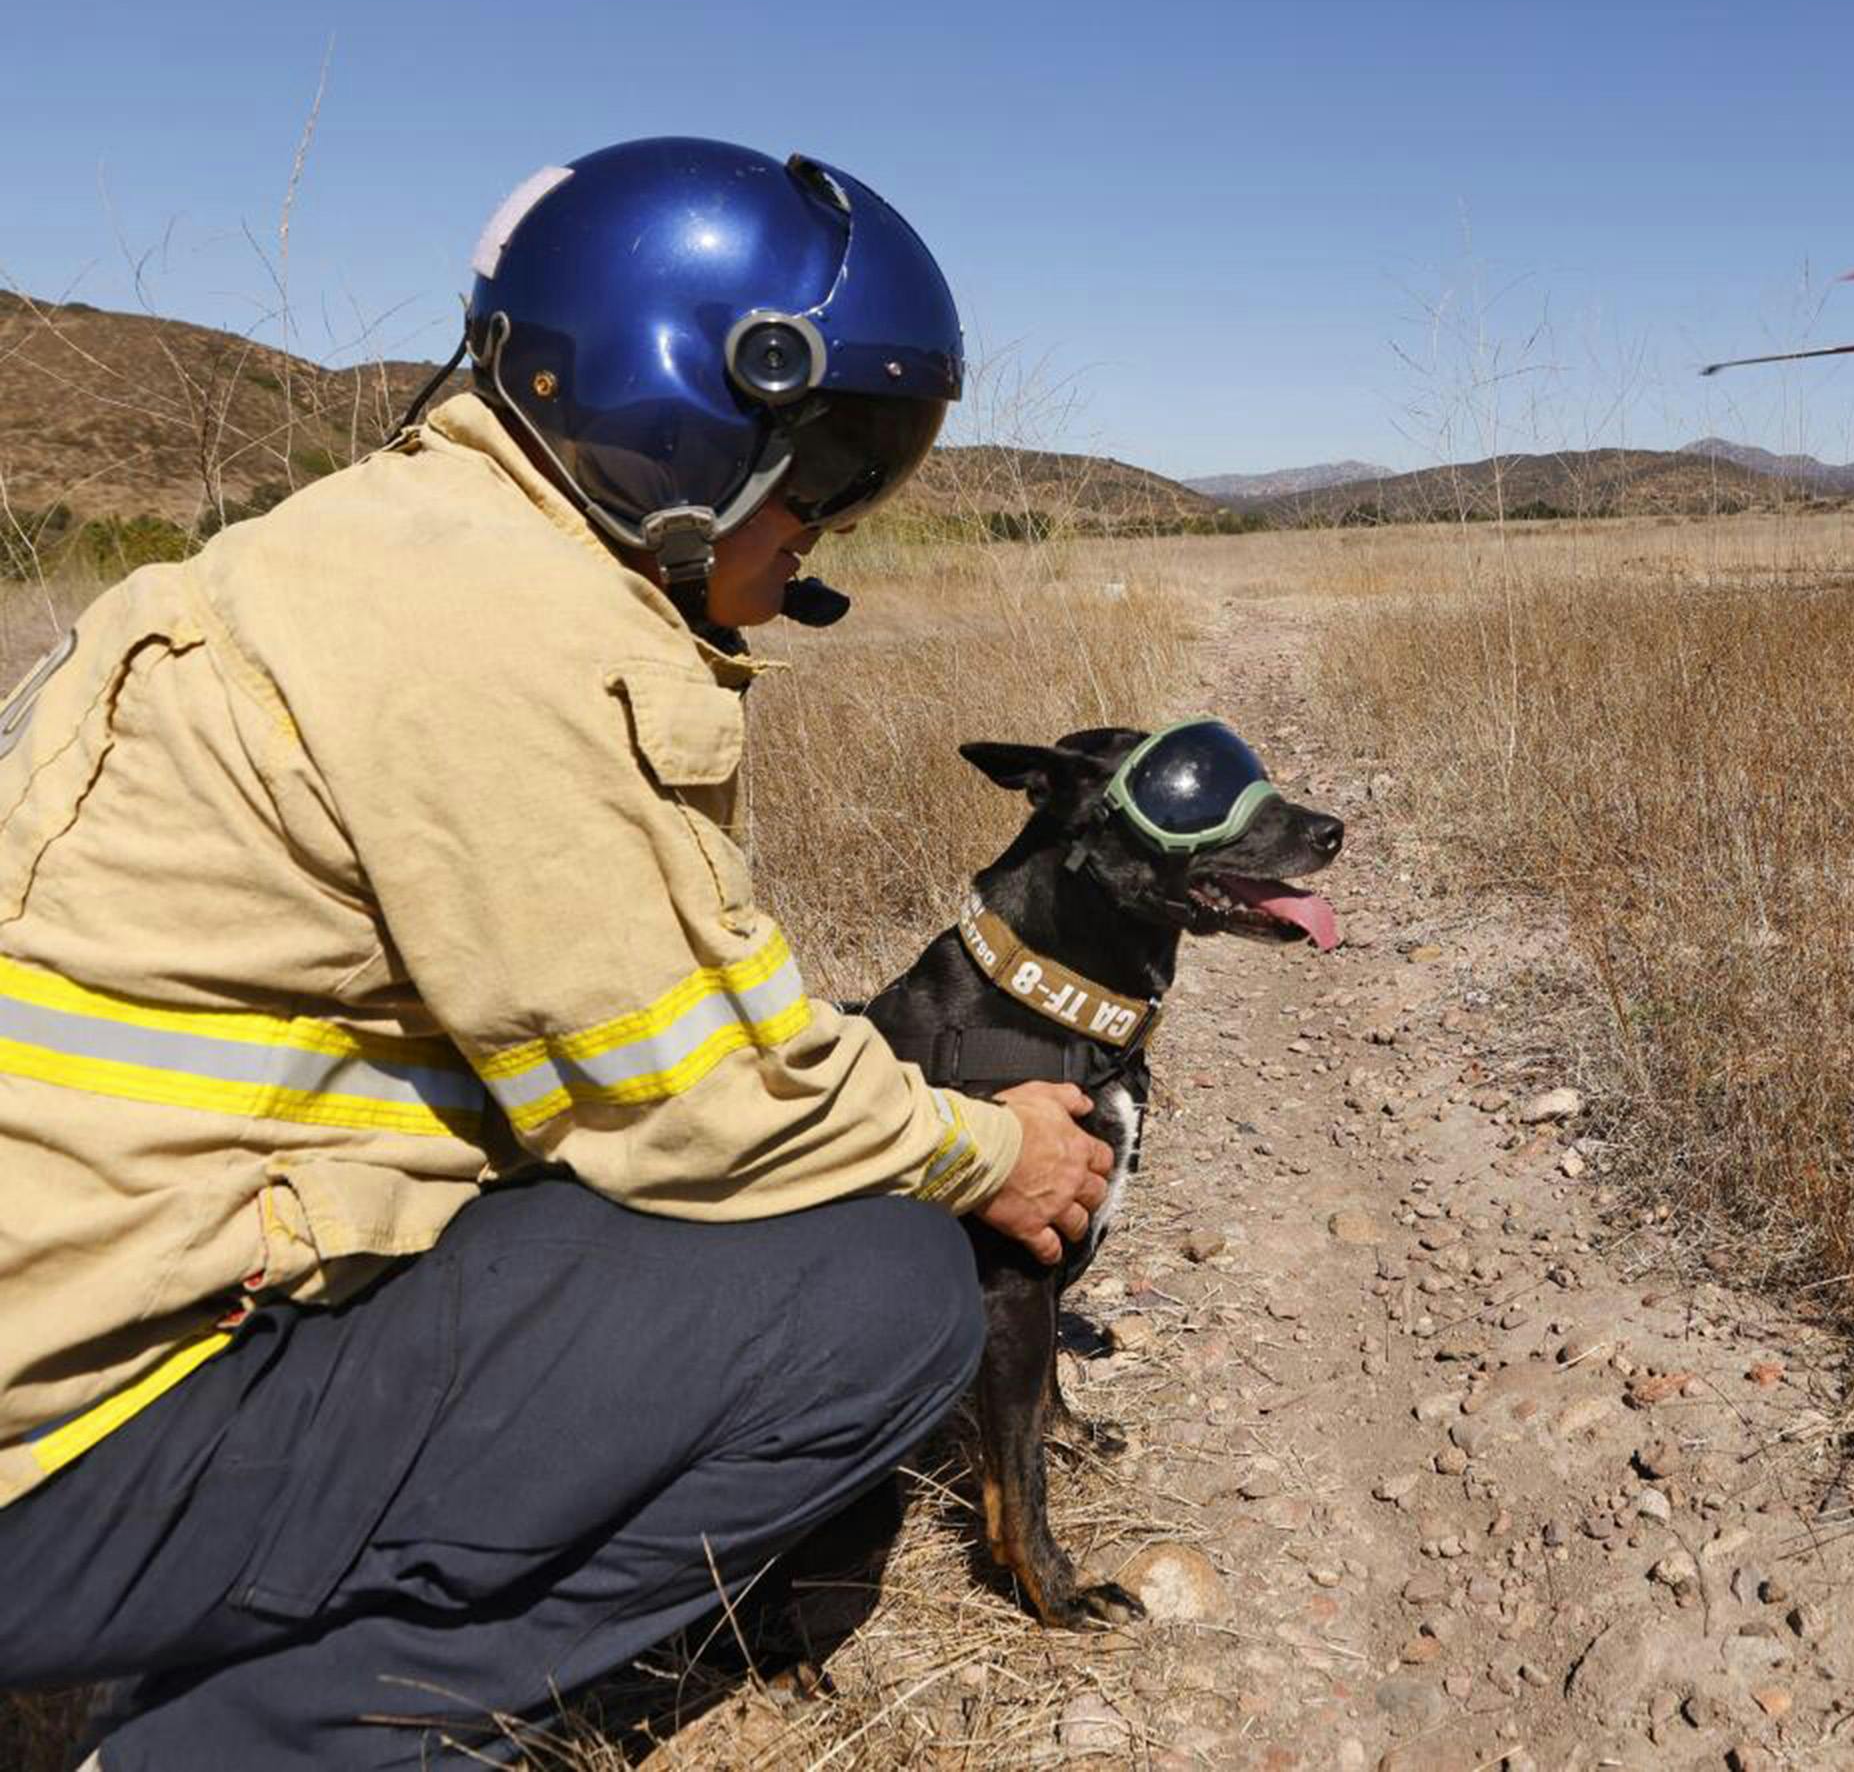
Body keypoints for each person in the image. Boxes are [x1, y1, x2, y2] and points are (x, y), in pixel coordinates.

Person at [0, 137, 1114, 1767]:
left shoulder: (381, 554)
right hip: (63, 1465)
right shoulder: (496, 642)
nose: (839, 521)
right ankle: (263, 1741)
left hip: (55, 1382)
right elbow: (709, 1098)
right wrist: (983, 1148)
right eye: (839, 461)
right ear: (691, 415)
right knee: (878, 1295)